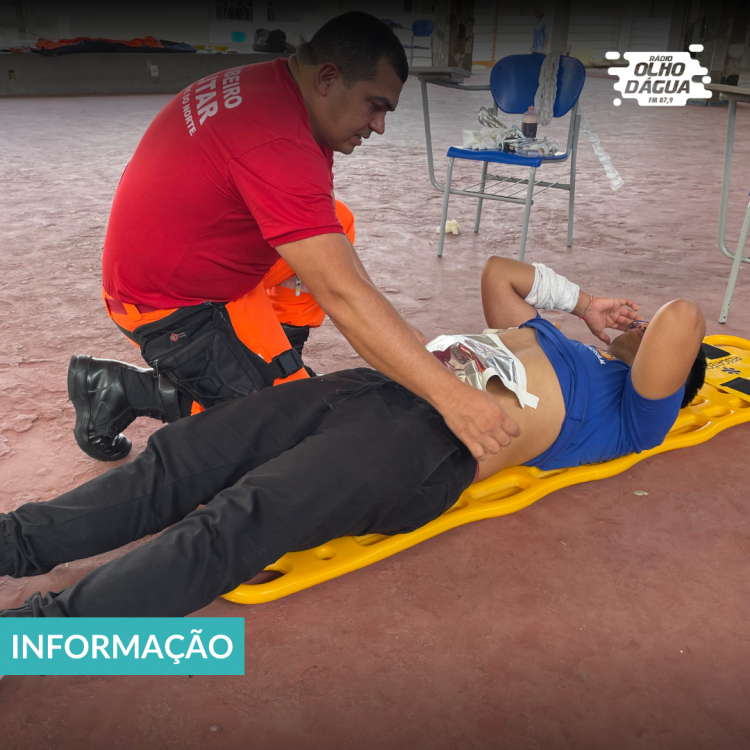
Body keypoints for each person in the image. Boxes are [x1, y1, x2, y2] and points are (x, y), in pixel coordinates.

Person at [0, 257, 706, 618]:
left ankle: (35, 637)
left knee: (239, 520)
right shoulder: (557, 338)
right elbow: (501, 273)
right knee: (179, 459)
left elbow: (684, 320)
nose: (639, 325)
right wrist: (584, 305)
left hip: (428, 444)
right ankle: (14, 543)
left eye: (645, 334)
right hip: (380, 384)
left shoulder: (637, 417)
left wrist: (639, 337)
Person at [73, 11, 517, 472]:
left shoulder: (279, 90)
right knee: (282, 438)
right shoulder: (278, 141)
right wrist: (452, 398)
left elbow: (338, 263)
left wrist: (408, 337)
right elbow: (341, 293)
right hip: (166, 303)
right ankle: (122, 389)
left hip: (200, 257)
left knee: (336, 222)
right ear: (327, 78)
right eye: (375, 105)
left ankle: (277, 362)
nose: (379, 125)